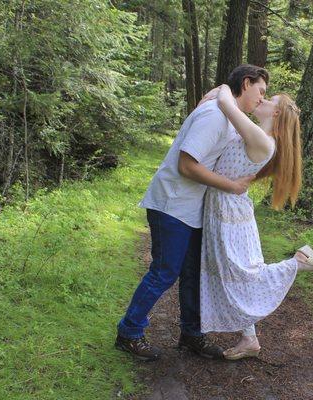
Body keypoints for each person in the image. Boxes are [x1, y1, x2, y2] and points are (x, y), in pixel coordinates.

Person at [115, 65, 270, 361]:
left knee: (192, 273)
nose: (262, 99)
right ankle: (129, 332)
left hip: (192, 208)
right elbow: (187, 165)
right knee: (165, 271)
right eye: (260, 91)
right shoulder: (214, 116)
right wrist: (232, 185)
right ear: (246, 83)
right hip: (172, 204)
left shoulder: (224, 115)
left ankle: (191, 334)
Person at [198, 84, 313, 360]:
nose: (262, 99)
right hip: (230, 209)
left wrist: (222, 88)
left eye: (268, 99)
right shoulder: (259, 135)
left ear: (276, 112)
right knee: (236, 273)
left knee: (241, 273)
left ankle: (298, 261)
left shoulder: (261, 139)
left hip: (228, 212)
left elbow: (226, 103)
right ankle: (249, 339)